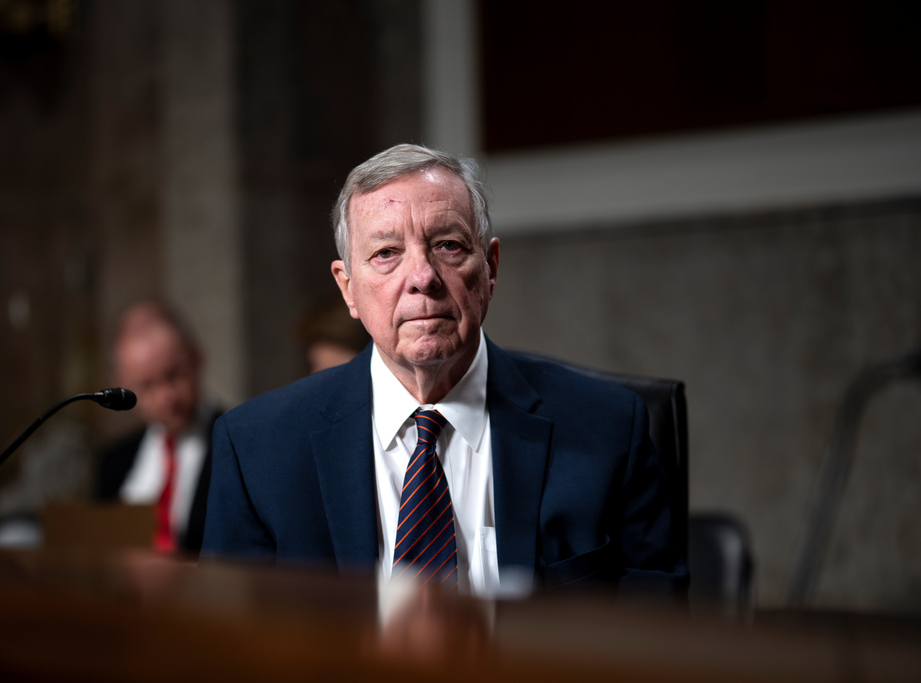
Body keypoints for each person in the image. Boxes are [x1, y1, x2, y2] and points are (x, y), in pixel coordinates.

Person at [203, 144, 687, 598]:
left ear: (491, 267)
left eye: (448, 245)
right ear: (348, 287)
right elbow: (230, 650)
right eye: (386, 253)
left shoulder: (607, 428)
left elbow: (656, 636)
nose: (422, 278)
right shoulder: (256, 450)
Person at [94, 301, 219, 555]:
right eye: (147, 385)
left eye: (174, 375)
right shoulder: (113, 463)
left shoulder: (237, 444)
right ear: (122, 385)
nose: (166, 398)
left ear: (196, 358)